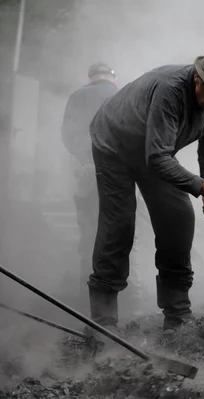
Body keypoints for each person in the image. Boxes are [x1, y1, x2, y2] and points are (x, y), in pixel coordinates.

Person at [88, 48, 204, 332]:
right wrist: (203, 187)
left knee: (179, 218)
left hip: (153, 151)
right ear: (197, 80)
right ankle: (103, 322)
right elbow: (157, 159)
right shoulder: (171, 91)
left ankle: (177, 315)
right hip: (114, 144)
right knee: (119, 225)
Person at [61, 62, 118, 302]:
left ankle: (86, 293)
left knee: (89, 233)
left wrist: (85, 160)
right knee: (121, 234)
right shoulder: (121, 93)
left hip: (88, 173)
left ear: (91, 77)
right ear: (111, 78)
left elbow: (68, 134)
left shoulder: (78, 95)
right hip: (119, 175)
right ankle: (120, 297)